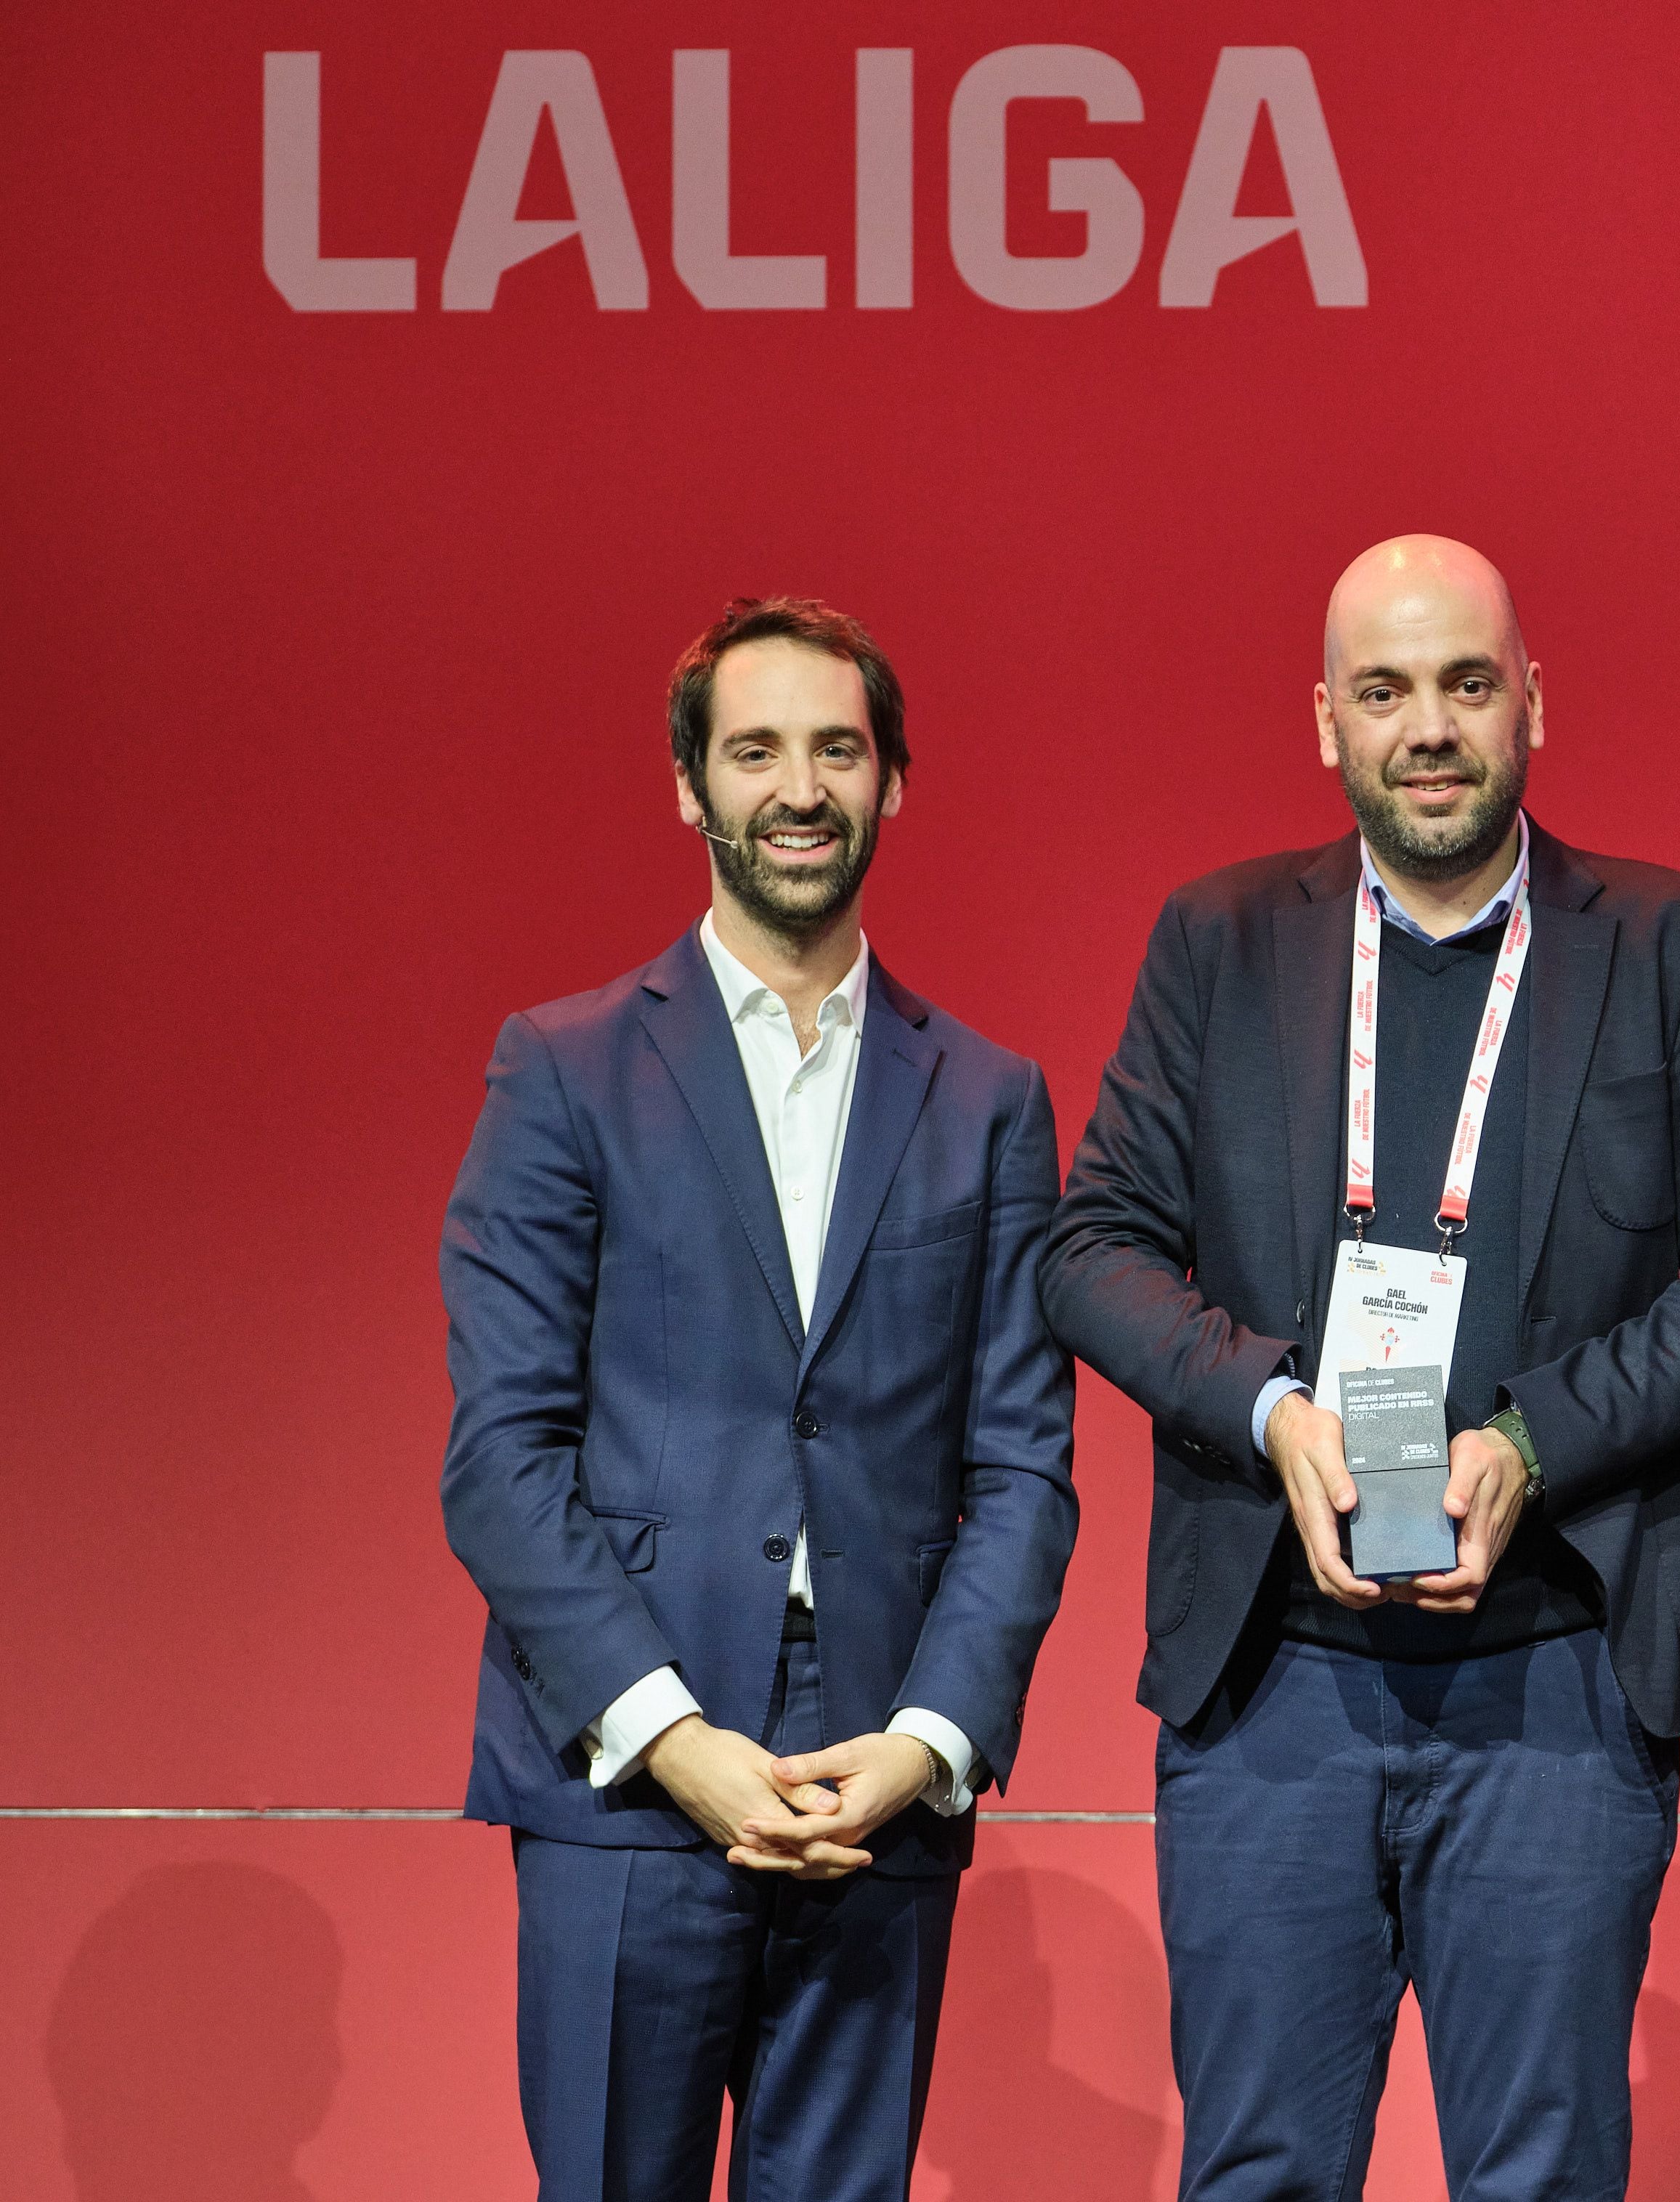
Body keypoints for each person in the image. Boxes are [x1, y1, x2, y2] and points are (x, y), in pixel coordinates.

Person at [1041, 535, 1680, 2202]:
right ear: (1320, 721)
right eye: (1384, 690)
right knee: (1256, 2173)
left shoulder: (1670, 944)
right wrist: (1272, 1412)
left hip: (1553, 1682)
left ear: (1531, 701)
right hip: (1271, 1686)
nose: (1429, 727)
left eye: (1466, 684)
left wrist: (1528, 1444)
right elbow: (1090, 1245)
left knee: (1540, 2179)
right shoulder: (1221, 939)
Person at [439, 597, 1076, 2200]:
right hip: (627, 1767)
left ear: (892, 783)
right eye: (756, 750)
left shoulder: (988, 1098)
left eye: (837, 750)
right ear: (687, 786)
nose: (799, 786)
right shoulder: (563, 1065)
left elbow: (1020, 1464)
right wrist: (670, 1737)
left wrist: (929, 1740)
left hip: (877, 1773)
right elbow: (501, 1459)